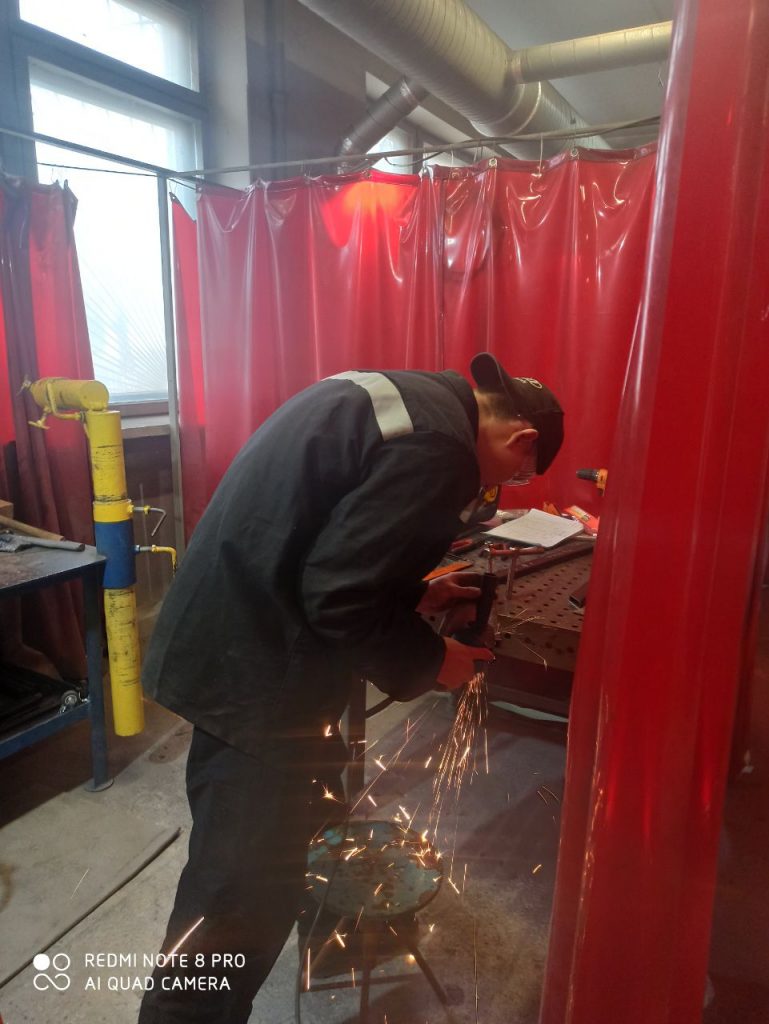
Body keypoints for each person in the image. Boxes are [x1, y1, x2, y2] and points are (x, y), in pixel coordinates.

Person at [138, 352, 563, 1022]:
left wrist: (413, 595)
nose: (496, 490)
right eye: (514, 478)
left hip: (235, 634)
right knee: (238, 897)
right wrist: (433, 661)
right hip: (257, 676)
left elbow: (330, 541)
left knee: (279, 845)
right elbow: (337, 596)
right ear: (522, 441)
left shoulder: (410, 400)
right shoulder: (441, 449)